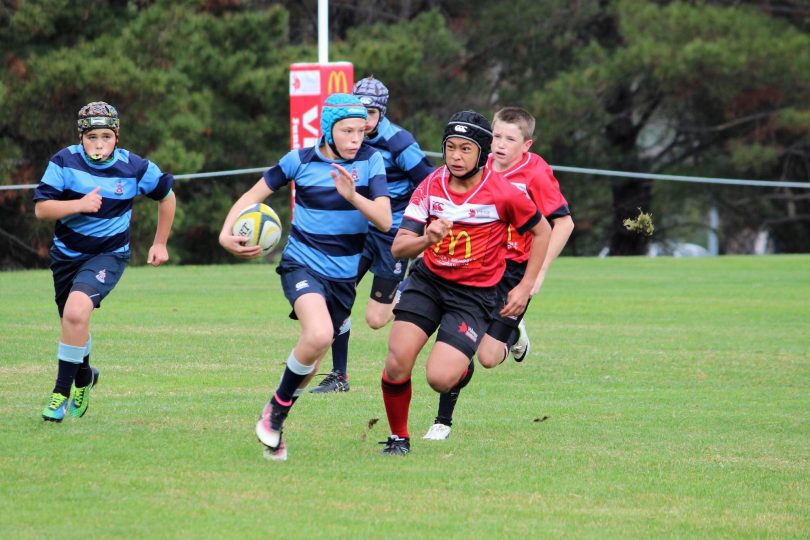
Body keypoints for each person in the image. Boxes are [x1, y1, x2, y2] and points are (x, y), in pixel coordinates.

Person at [219, 93, 391, 461]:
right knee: (318, 334)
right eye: (347, 131)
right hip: (302, 263)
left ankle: (275, 417)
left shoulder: (371, 161)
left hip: (344, 278)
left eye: (361, 131)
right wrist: (225, 233)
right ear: (328, 129)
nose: (355, 138)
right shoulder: (299, 160)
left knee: (311, 360)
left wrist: (353, 196)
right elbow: (253, 194)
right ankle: (275, 414)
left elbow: (384, 218)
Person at [379, 110, 552, 455]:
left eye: (465, 149)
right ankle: (400, 437)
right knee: (397, 361)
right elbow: (399, 246)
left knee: (440, 378)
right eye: (450, 148)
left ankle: (459, 355)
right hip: (428, 282)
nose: (456, 157)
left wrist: (525, 286)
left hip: (474, 295)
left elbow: (542, 230)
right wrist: (428, 239)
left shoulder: (502, 193)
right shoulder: (430, 185)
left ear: (482, 153)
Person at [423, 106, 575, 441]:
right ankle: (442, 421)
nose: (500, 144)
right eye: (496, 136)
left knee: (490, 357)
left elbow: (563, 222)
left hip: (516, 272)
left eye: (510, 138)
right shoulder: (478, 165)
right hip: (477, 266)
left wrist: (537, 275)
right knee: (458, 343)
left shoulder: (535, 173)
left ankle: (514, 334)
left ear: (527, 145)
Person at [35, 101, 176, 422]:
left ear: (116, 136)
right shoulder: (63, 162)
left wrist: (160, 243)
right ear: (81, 138)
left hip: (108, 255)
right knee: (73, 323)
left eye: (106, 137)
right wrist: (79, 204)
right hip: (66, 257)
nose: (99, 144)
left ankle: (61, 393)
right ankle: (84, 375)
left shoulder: (135, 167)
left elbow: (167, 196)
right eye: (91, 137)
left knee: (75, 312)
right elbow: (42, 209)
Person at [310, 76, 433, 394]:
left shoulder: (399, 143)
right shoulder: (348, 136)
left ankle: (414, 289)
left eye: (372, 117)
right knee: (335, 296)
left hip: (392, 236)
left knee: (377, 318)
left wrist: (418, 233)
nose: (363, 127)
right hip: (357, 231)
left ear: (383, 113)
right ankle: (339, 376)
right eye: (359, 117)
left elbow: (431, 184)